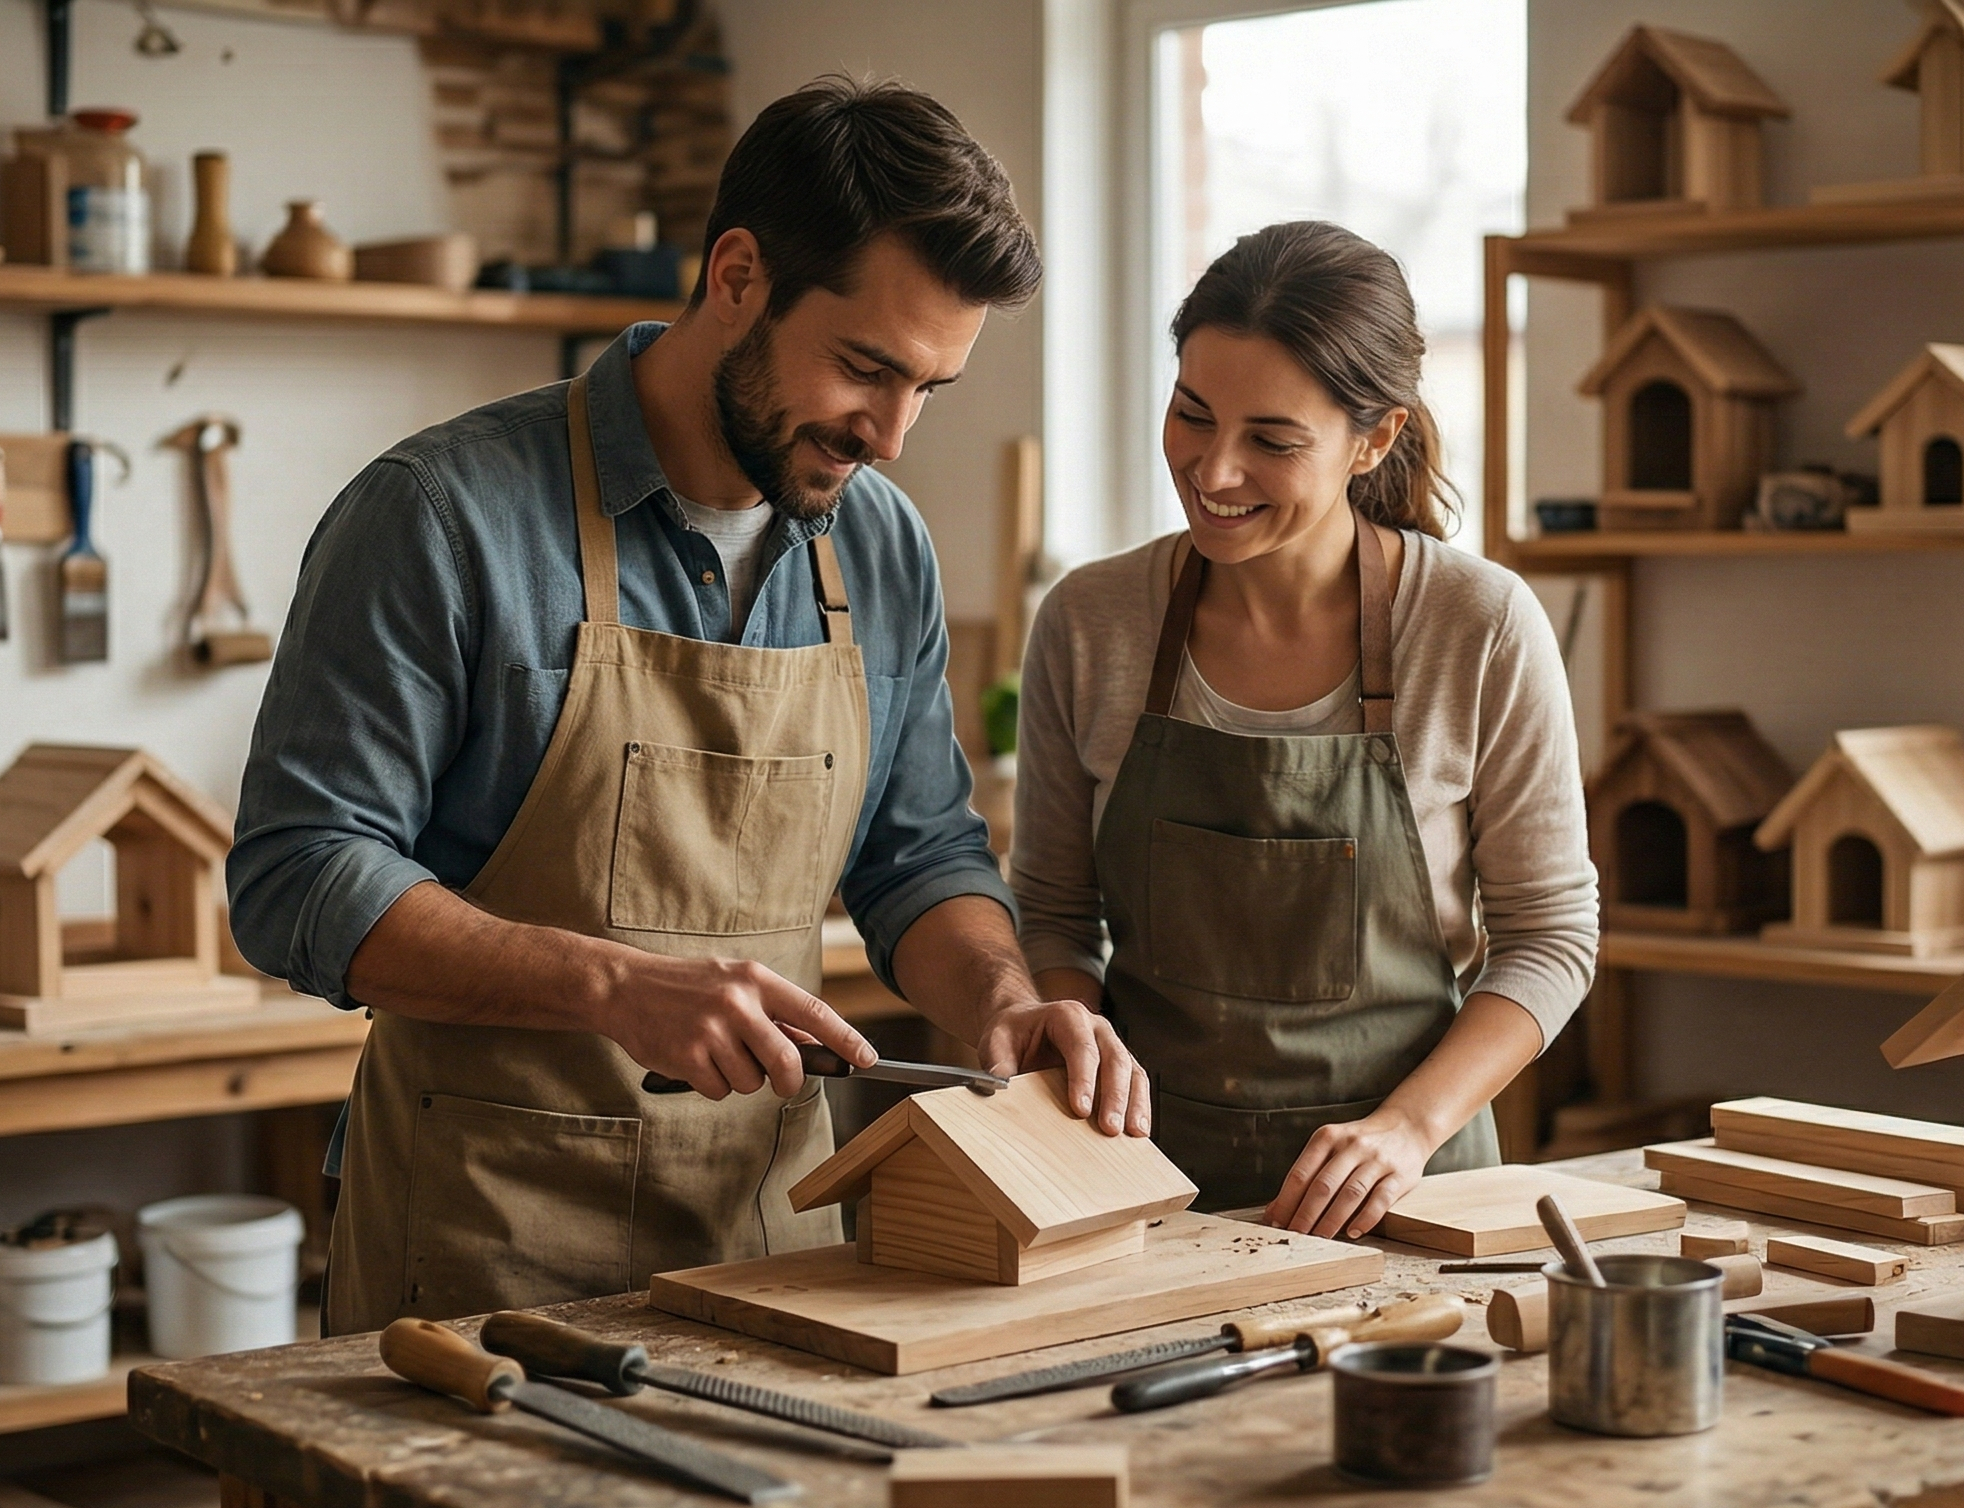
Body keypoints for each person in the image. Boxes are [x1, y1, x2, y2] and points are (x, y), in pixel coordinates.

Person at [230, 76, 1148, 1337]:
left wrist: (999, 999)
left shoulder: (878, 546)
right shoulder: (443, 516)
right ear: (736, 276)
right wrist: (612, 987)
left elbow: (917, 855)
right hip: (481, 1259)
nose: (889, 434)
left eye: (929, 388)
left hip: (774, 1255)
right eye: (866, 368)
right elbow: (296, 876)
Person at [1012, 221, 1596, 1239]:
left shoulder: (1477, 625)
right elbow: (1054, 913)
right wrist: (1080, 1068)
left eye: (1271, 440)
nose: (1213, 470)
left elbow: (1548, 941)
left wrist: (1405, 1130)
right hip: (1141, 1184)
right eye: (1191, 415)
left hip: (1409, 1197)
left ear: (1373, 439)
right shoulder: (1089, 621)